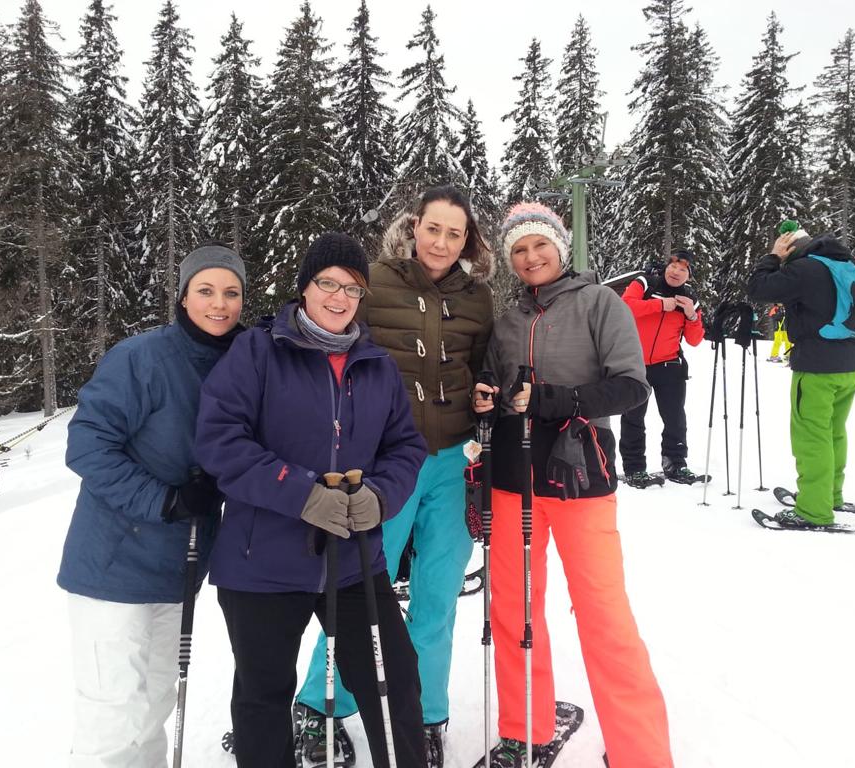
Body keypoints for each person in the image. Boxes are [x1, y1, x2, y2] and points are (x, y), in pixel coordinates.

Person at [196, 233, 429, 768]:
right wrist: (300, 493)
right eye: (328, 283)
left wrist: (381, 496)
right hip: (262, 562)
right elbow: (220, 440)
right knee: (263, 696)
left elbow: (405, 447)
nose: (339, 297)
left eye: (352, 288)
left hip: (353, 559)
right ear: (305, 287)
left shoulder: (376, 364)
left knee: (393, 680)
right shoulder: (258, 351)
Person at [291, 185, 494, 766]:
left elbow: (485, 366)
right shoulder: (375, 283)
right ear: (414, 227)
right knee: (359, 590)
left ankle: (424, 714)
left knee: (439, 594)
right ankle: (319, 705)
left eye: (454, 233)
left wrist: (488, 392)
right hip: (385, 463)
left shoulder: (477, 297)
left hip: (454, 462)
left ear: (467, 241)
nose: (442, 242)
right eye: (434, 228)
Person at [472, 202, 673, 768]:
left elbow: (632, 386)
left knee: (603, 614)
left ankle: (641, 753)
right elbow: (493, 385)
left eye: (540, 245)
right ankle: (525, 730)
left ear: (560, 247)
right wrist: (485, 396)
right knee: (514, 611)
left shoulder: (600, 303)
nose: (531, 257)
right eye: (518, 249)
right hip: (512, 479)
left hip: (580, 475)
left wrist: (560, 400)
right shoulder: (507, 322)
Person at [57, 242, 246, 767]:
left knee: (155, 704)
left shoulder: (241, 364)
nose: (219, 304)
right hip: (113, 567)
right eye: (205, 290)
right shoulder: (140, 358)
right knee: (113, 713)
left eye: (231, 293)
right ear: (183, 296)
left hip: (179, 568)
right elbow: (87, 445)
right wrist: (166, 500)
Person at [747, 224, 855, 527]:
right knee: (834, 432)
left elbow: (758, 288)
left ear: (792, 249)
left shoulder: (805, 269)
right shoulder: (843, 264)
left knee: (811, 437)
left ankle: (813, 510)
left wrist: (773, 257)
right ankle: (829, 495)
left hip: (816, 366)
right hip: (850, 365)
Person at [619, 251, 705, 487]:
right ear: (666, 267)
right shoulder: (644, 283)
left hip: (670, 366)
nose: (676, 272)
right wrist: (659, 305)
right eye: (673, 266)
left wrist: (691, 315)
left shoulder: (689, 298)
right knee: (633, 418)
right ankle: (634, 468)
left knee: (675, 419)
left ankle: (675, 464)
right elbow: (625, 306)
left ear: (689, 276)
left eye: (683, 269)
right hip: (635, 364)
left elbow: (695, 340)